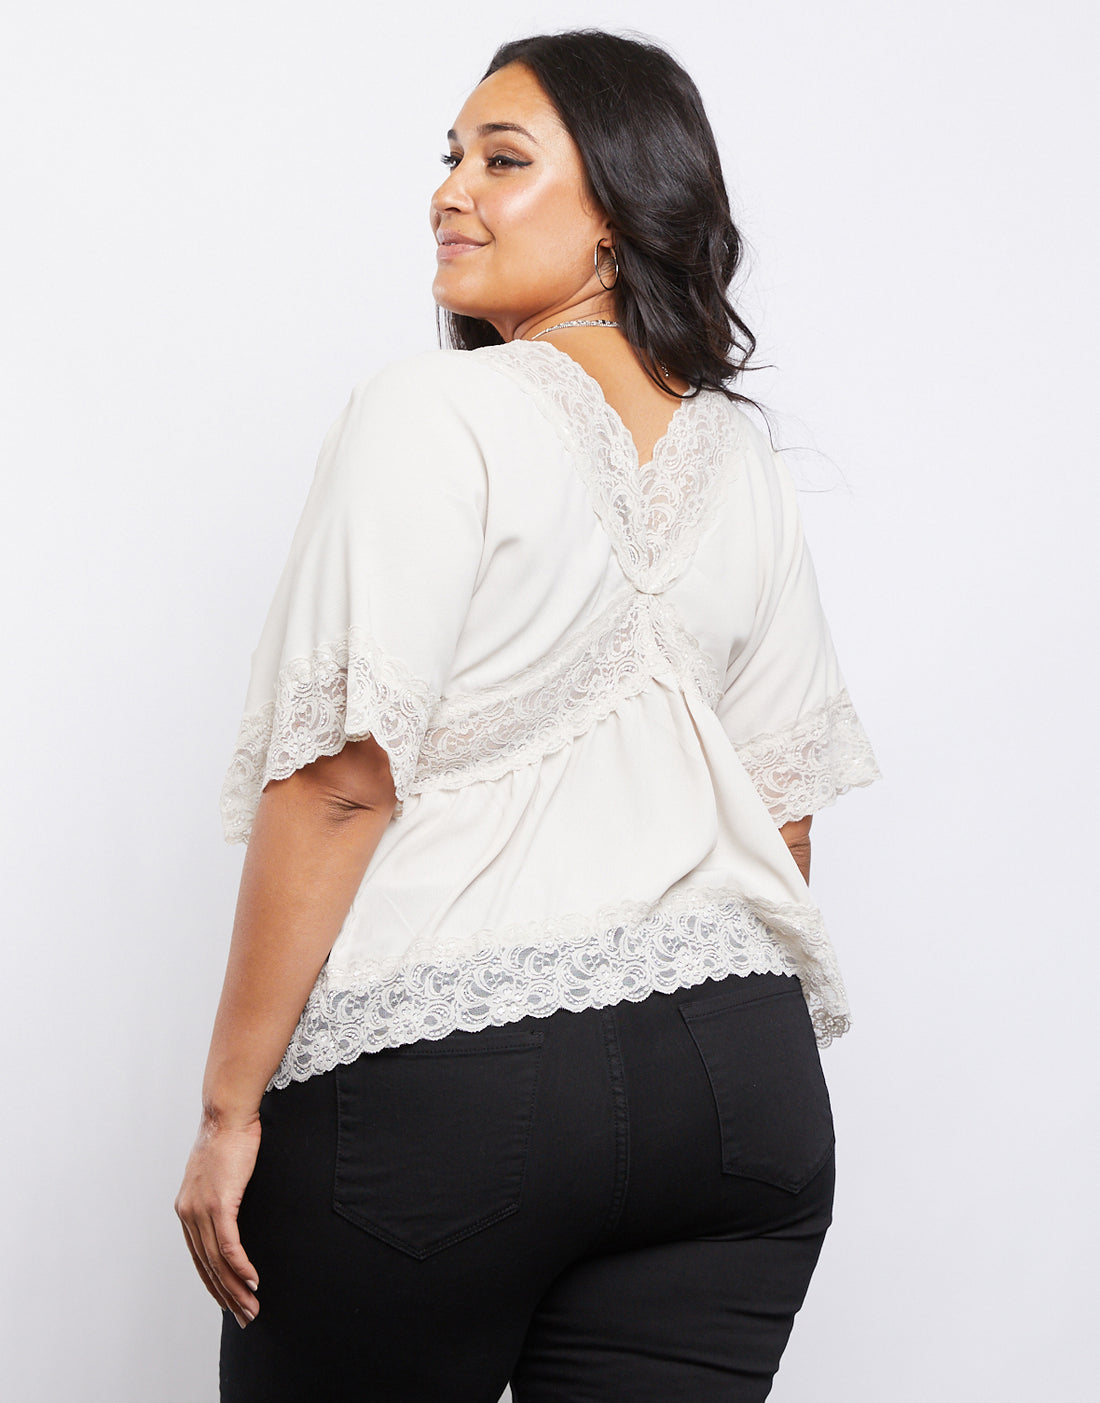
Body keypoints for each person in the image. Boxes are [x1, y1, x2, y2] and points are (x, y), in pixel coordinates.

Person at [176, 29, 882, 1403]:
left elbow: (340, 781)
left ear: (617, 208)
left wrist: (227, 1109)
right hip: (737, 1092)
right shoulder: (743, 457)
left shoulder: (431, 410)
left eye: (503, 161)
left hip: (451, 1091)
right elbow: (782, 817)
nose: (451, 192)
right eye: (451, 158)